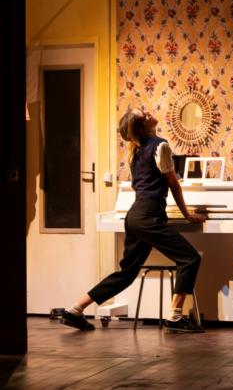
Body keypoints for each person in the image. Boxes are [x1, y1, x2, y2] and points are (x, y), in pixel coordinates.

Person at [61, 108, 206, 333]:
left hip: (135, 217)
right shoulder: (160, 146)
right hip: (148, 216)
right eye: (143, 115)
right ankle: (175, 317)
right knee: (190, 259)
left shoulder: (136, 150)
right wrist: (187, 215)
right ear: (142, 127)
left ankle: (75, 309)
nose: (148, 113)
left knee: (127, 273)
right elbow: (173, 184)